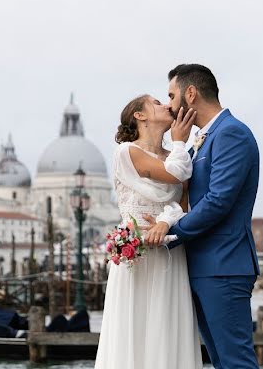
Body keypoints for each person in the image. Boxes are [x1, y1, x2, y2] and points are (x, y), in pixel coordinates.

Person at [145, 63, 261, 369]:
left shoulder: (231, 133)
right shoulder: (204, 139)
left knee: (236, 361)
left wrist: (170, 231)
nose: (169, 104)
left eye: (171, 95)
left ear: (191, 93)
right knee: (221, 361)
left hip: (224, 265)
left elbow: (218, 201)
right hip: (203, 265)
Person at [93, 95, 201, 369]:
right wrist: (180, 141)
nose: (166, 105)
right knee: (134, 327)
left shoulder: (177, 156)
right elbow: (176, 175)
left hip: (167, 253)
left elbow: (182, 205)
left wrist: (166, 220)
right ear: (140, 116)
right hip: (135, 257)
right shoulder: (127, 152)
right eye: (156, 102)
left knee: (166, 326)